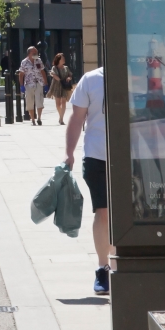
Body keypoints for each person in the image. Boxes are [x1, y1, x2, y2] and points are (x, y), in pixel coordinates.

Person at [64, 66, 112, 295]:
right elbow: (76, 118)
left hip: (132, 156)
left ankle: (120, 264)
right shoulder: (91, 79)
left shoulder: (136, 73)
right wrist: (69, 152)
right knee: (103, 212)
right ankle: (103, 268)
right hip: (97, 155)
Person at [19, 46, 47, 125]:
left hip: (39, 82)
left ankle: (39, 118)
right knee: (29, 101)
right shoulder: (24, 62)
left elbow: (42, 71)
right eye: (34, 53)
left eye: (36, 53)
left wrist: (46, 83)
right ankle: (32, 119)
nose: (36, 54)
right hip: (29, 83)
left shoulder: (39, 60)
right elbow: (21, 74)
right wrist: (21, 85)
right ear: (29, 53)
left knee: (39, 101)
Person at [49, 53, 74, 125]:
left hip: (65, 86)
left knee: (63, 102)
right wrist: (60, 80)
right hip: (57, 86)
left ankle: (61, 119)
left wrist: (69, 78)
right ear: (59, 60)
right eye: (62, 58)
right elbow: (53, 74)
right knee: (57, 104)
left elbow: (70, 74)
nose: (64, 59)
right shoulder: (54, 67)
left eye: (64, 58)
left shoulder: (66, 68)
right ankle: (60, 115)